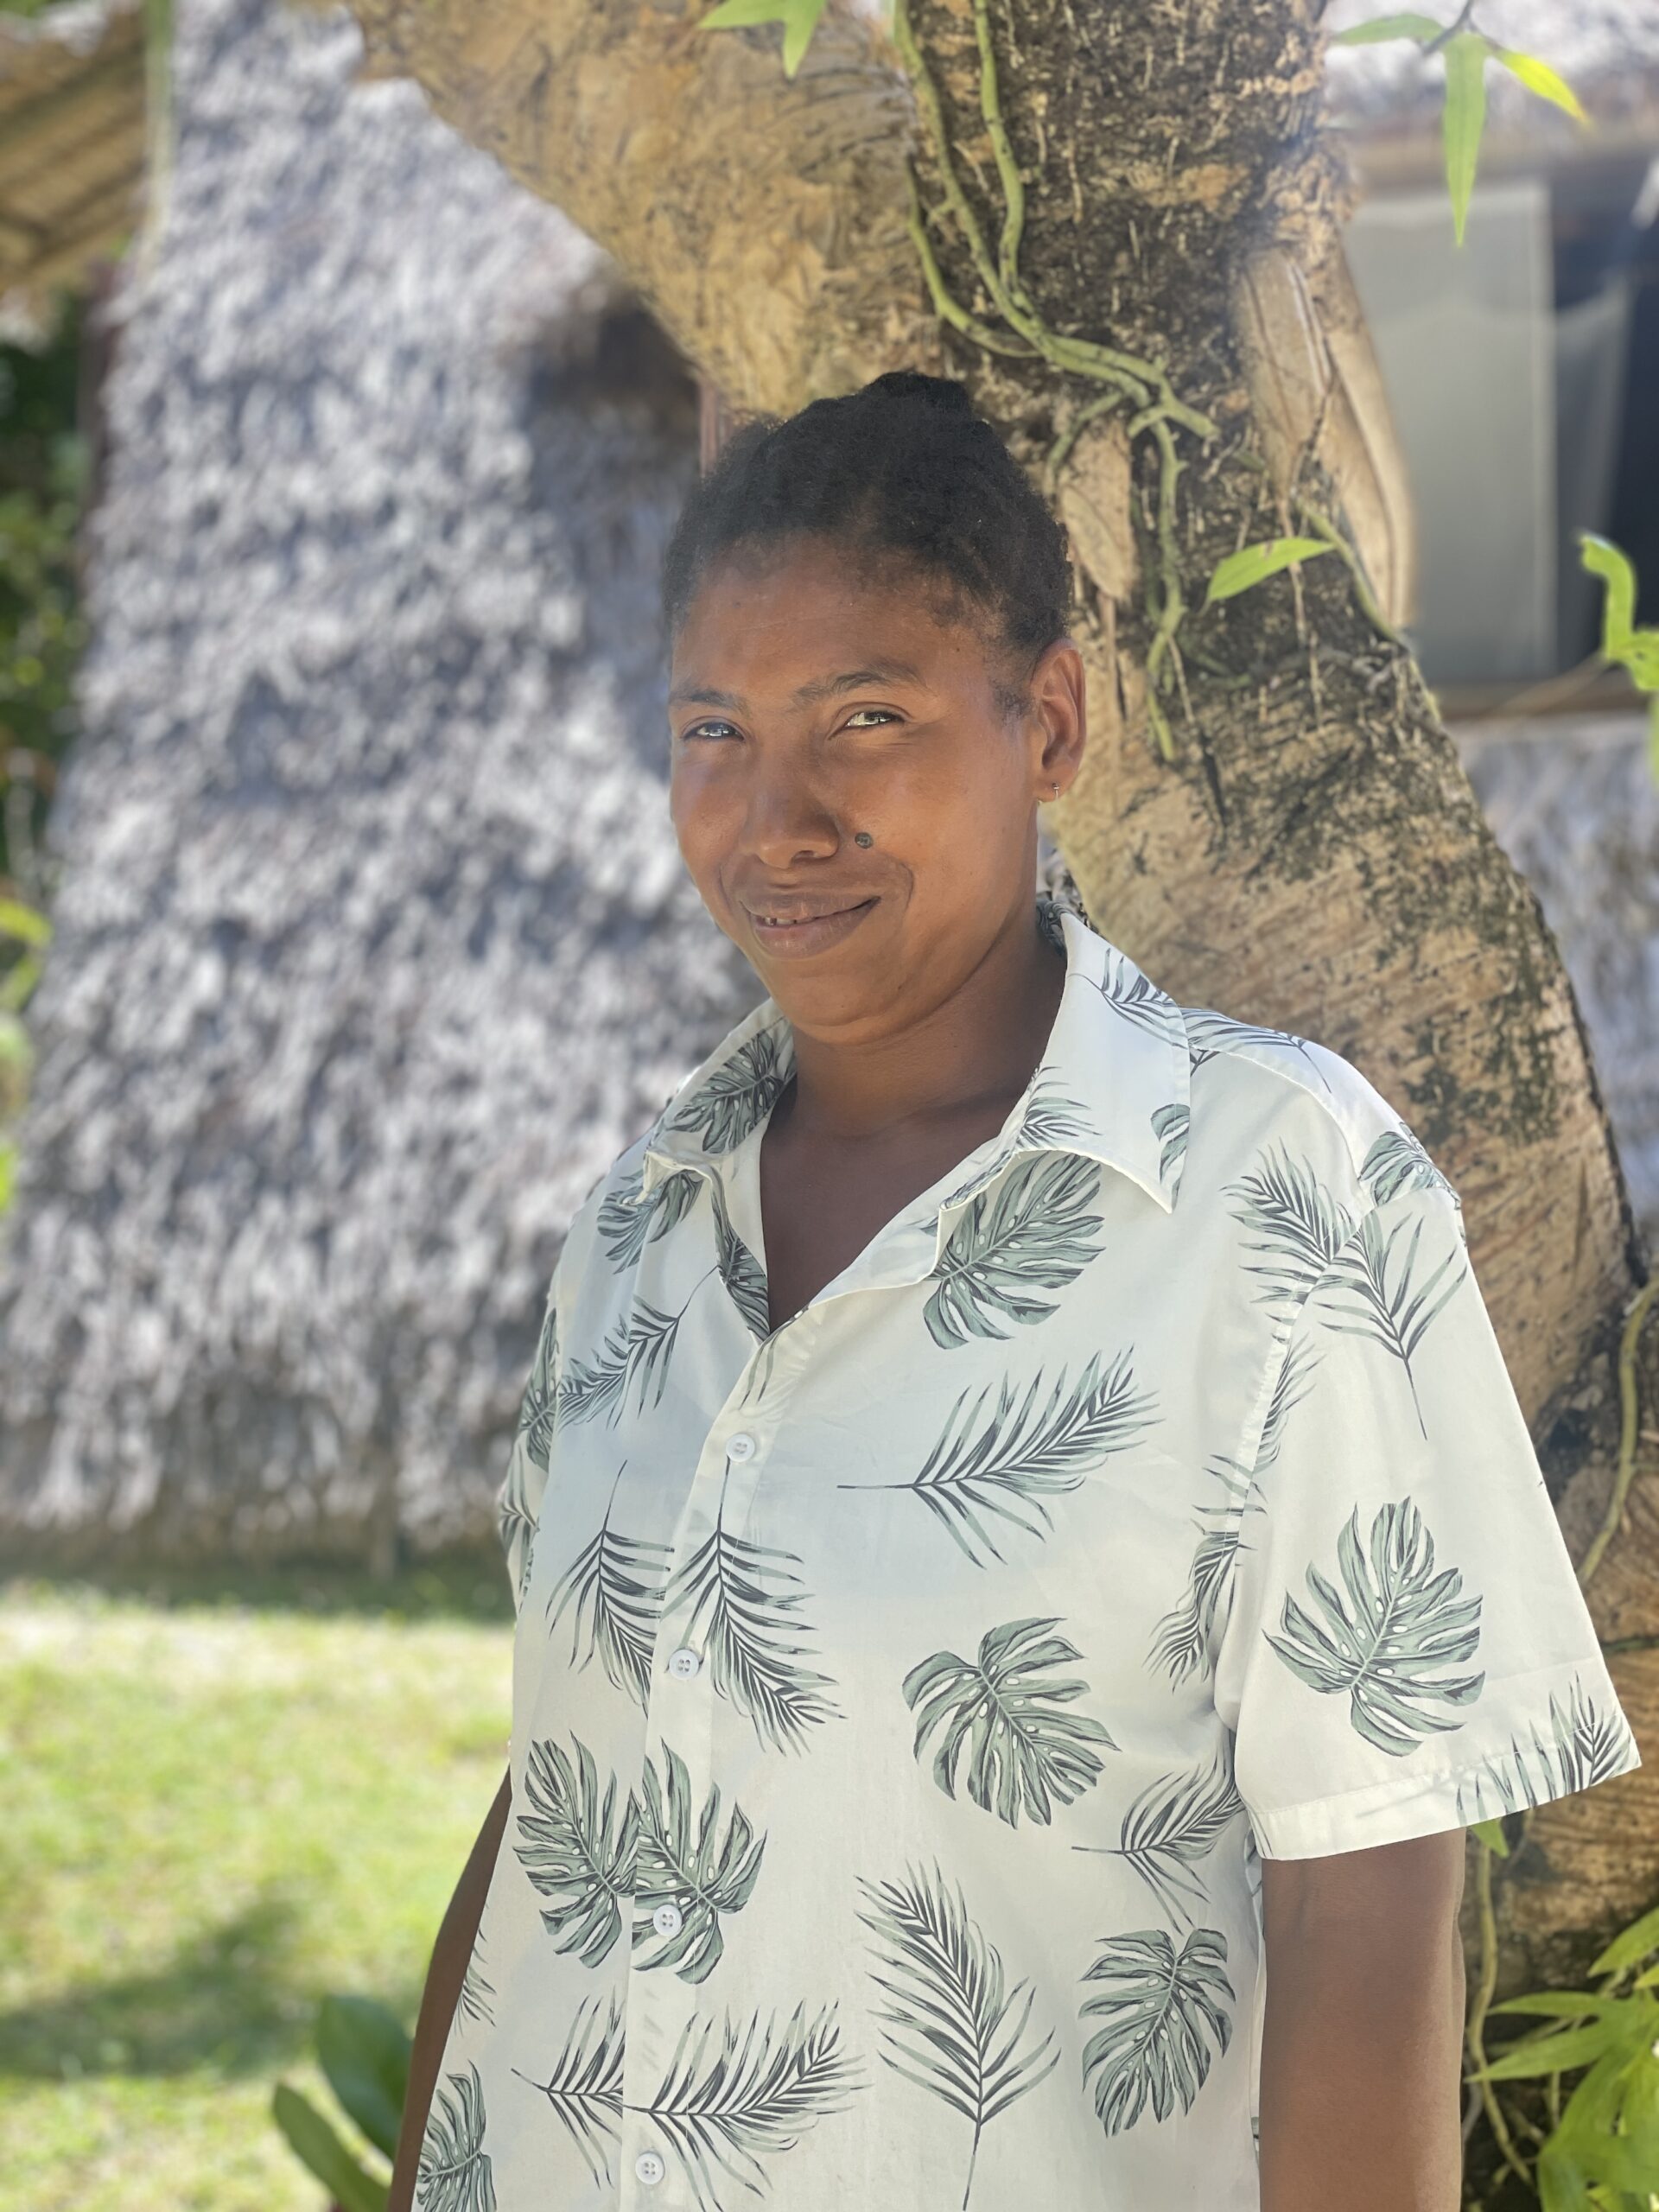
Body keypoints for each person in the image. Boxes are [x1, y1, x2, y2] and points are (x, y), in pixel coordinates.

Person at [385, 372, 1638, 2212]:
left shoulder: (1273, 1192)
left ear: (1045, 719)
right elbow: (561, 1794)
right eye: (713, 729)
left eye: (866, 717)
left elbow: (1369, 1903)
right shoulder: (649, 1217)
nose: (774, 815)